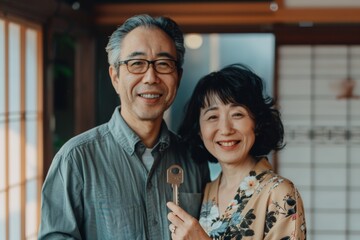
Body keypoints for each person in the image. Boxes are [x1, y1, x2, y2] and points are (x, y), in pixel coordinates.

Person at [38, 14, 210, 240]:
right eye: (136, 63)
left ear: (177, 77)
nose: (150, 77)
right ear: (115, 77)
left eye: (163, 64)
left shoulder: (193, 158)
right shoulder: (76, 159)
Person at [167, 63, 307, 239]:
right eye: (212, 117)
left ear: (257, 123)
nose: (225, 129)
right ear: (199, 131)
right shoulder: (206, 190)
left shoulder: (279, 192)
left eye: (237, 114)